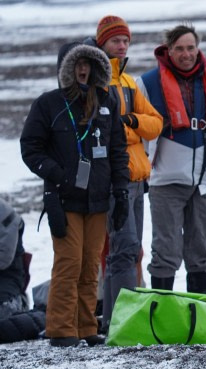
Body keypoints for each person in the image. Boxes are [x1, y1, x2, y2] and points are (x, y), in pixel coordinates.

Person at [20, 42, 130, 347]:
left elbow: (118, 150)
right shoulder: (48, 104)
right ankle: (60, 328)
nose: (83, 69)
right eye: (77, 64)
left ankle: (85, 326)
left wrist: (121, 192)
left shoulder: (107, 103)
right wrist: (57, 174)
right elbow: (30, 148)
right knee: (68, 263)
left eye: (89, 64)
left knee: (90, 264)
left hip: (97, 199)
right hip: (63, 198)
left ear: (97, 68)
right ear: (66, 69)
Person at [137, 23, 206, 294]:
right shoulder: (147, 82)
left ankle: (198, 308)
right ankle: (162, 310)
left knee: (201, 249)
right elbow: (143, 131)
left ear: (197, 48)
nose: (186, 54)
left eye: (191, 47)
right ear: (168, 50)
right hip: (165, 181)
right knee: (165, 250)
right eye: (179, 48)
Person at [91, 15, 163, 332]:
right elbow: (105, 131)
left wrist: (130, 122)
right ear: (102, 43)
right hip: (113, 179)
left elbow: (155, 123)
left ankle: (112, 321)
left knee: (128, 250)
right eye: (115, 41)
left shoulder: (129, 83)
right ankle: (123, 323)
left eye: (125, 41)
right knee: (123, 249)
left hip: (136, 179)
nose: (121, 46)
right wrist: (133, 127)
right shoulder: (97, 82)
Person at [0, 198, 28, 320]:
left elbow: (3, 259)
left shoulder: (5, 216)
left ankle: (20, 302)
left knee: (5, 314)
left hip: (8, 274)